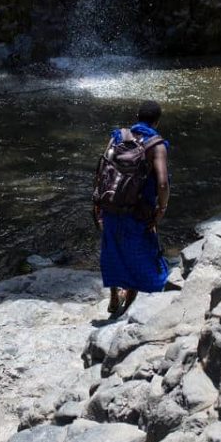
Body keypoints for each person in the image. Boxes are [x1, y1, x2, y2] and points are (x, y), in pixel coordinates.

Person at [94, 100, 171, 315]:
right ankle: (128, 303)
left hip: (111, 205)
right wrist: (161, 210)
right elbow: (163, 183)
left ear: (137, 116)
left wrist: (97, 202)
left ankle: (113, 297)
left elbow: (102, 168)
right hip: (139, 210)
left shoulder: (118, 136)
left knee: (112, 251)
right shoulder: (156, 144)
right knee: (140, 254)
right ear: (157, 121)